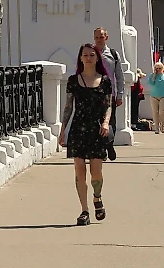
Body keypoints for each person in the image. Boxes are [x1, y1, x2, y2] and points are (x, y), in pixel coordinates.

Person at [57, 43, 113, 225]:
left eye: (91, 55)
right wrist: (63, 128)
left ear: (97, 58)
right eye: (85, 55)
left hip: (97, 129)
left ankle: (97, 198)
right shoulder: (74, 81)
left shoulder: (104, 81)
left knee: (96, 173)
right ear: (80, 58)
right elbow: (68, 107)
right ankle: (84, 211)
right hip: (78, 129)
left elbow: (108, 105)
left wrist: (105, 122)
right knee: (79, 170)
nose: (88, 58)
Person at [92, 28, 125, 159]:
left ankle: (109, 144)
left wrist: (120, 95)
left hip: (109, 95)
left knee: (110, 122)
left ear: (106, 37)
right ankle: (101, 148)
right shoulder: (90, 54)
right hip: (93, 94)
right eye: (96, 37)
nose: (99, 40)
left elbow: (120, 76)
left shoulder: (113, 54)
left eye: (101, 37)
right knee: (96, 123)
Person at [145, 62, 164, 134]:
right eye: (157, 68)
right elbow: (151, 83)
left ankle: (163, 126)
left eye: (159, 68)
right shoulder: (152, 76)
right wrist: (154, 75)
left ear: (162, 68)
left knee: (161, 112)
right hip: (154, 96)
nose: (158, 69)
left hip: (163, 95)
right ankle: (157, 128)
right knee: (155, 112)